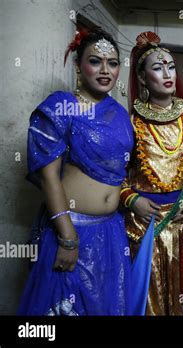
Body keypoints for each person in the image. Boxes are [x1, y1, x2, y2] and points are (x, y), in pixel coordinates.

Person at [18, 28, 134, 315]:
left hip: (111, 231)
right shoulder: (60, 107)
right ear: (78, 66)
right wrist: (67, 237)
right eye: (95, 61)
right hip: (72, 229)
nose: (105, 70)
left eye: (113, 63)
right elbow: (48, 178)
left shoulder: (118, 112)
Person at [121, 31, 183, 315]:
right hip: (143, 224)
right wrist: (132, 200)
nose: (167, 73)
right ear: (142, 78)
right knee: (145, 298)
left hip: (178, 224)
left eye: (171, 66)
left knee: (178, 298)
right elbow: (114, 177)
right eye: (157, 67)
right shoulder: (129, 123)